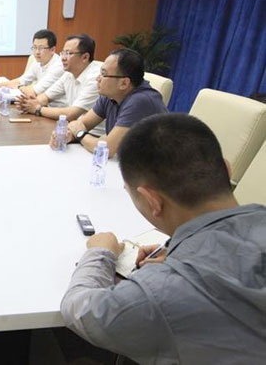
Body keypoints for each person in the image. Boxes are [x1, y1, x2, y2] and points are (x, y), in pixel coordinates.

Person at [60, 113, 266, 363]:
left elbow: (80, 310)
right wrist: (182, 254)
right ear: (226, 168)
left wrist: (99, 253)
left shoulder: (160, 293)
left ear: (153, 201)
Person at [50, 48, 167, 157]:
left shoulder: (140, 101)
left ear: (124, 83)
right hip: (130, 161)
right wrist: (67, 135)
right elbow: (82, 124)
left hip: (157, 167)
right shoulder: (110, 94)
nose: (98, 79)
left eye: (104, 74)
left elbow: (107, 149)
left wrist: (80, 134)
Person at [17, 34, 100, 122]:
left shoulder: (95, 78)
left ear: (85, 57)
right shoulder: (68, 74)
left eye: (68, 53)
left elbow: (71, 114)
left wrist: (37, 108)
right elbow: (46, 97)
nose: (63, 58)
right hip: (72, 125)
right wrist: (28, 104)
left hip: (90, 130)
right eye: (63, 53)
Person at [0, 29, 64, 92]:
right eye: (35, 47)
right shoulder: (37, 62)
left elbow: (35, 90)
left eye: (41, 48)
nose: (37, 52)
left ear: (52, 50)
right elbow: (21, 81)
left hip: (55, 106)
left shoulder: (58, 66)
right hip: (41, 102)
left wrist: (19, 87)